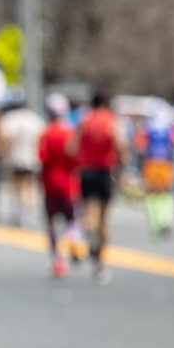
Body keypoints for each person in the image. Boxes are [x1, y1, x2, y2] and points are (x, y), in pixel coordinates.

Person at [66, 89, 129, 284]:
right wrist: (122, 164)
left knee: (89, 214)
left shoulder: (84, 121)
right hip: (104, 172)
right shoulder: (111, 120)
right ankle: (100, 264)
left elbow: (71, 148)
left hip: (86, 171)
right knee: (104, 220)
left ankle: (80, 239)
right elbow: (120, 144)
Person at [37, 93, 82, 278]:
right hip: (70, 185)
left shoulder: (46, 134)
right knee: (72, 220)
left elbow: (42, 158)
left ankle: (58, 260)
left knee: (52, 225)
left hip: (50, 185)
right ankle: (74, 242)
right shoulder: (70, 133)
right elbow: (77, 159)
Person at [0, 101, 46, 227]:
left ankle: (18, 211)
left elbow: (5, 138)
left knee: (16, 185)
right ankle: (27, 213)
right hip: (31, 158)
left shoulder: (10, 118)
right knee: (29, 185)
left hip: (15, 157)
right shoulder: (35, 119)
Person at [136, 103, 174, 239]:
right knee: (165, 192)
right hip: (165, 163)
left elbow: (140, 146)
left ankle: (155, 224)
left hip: (151, 163)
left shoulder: (147, 127)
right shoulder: (169, 128)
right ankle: (165, 219)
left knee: (151, 193)